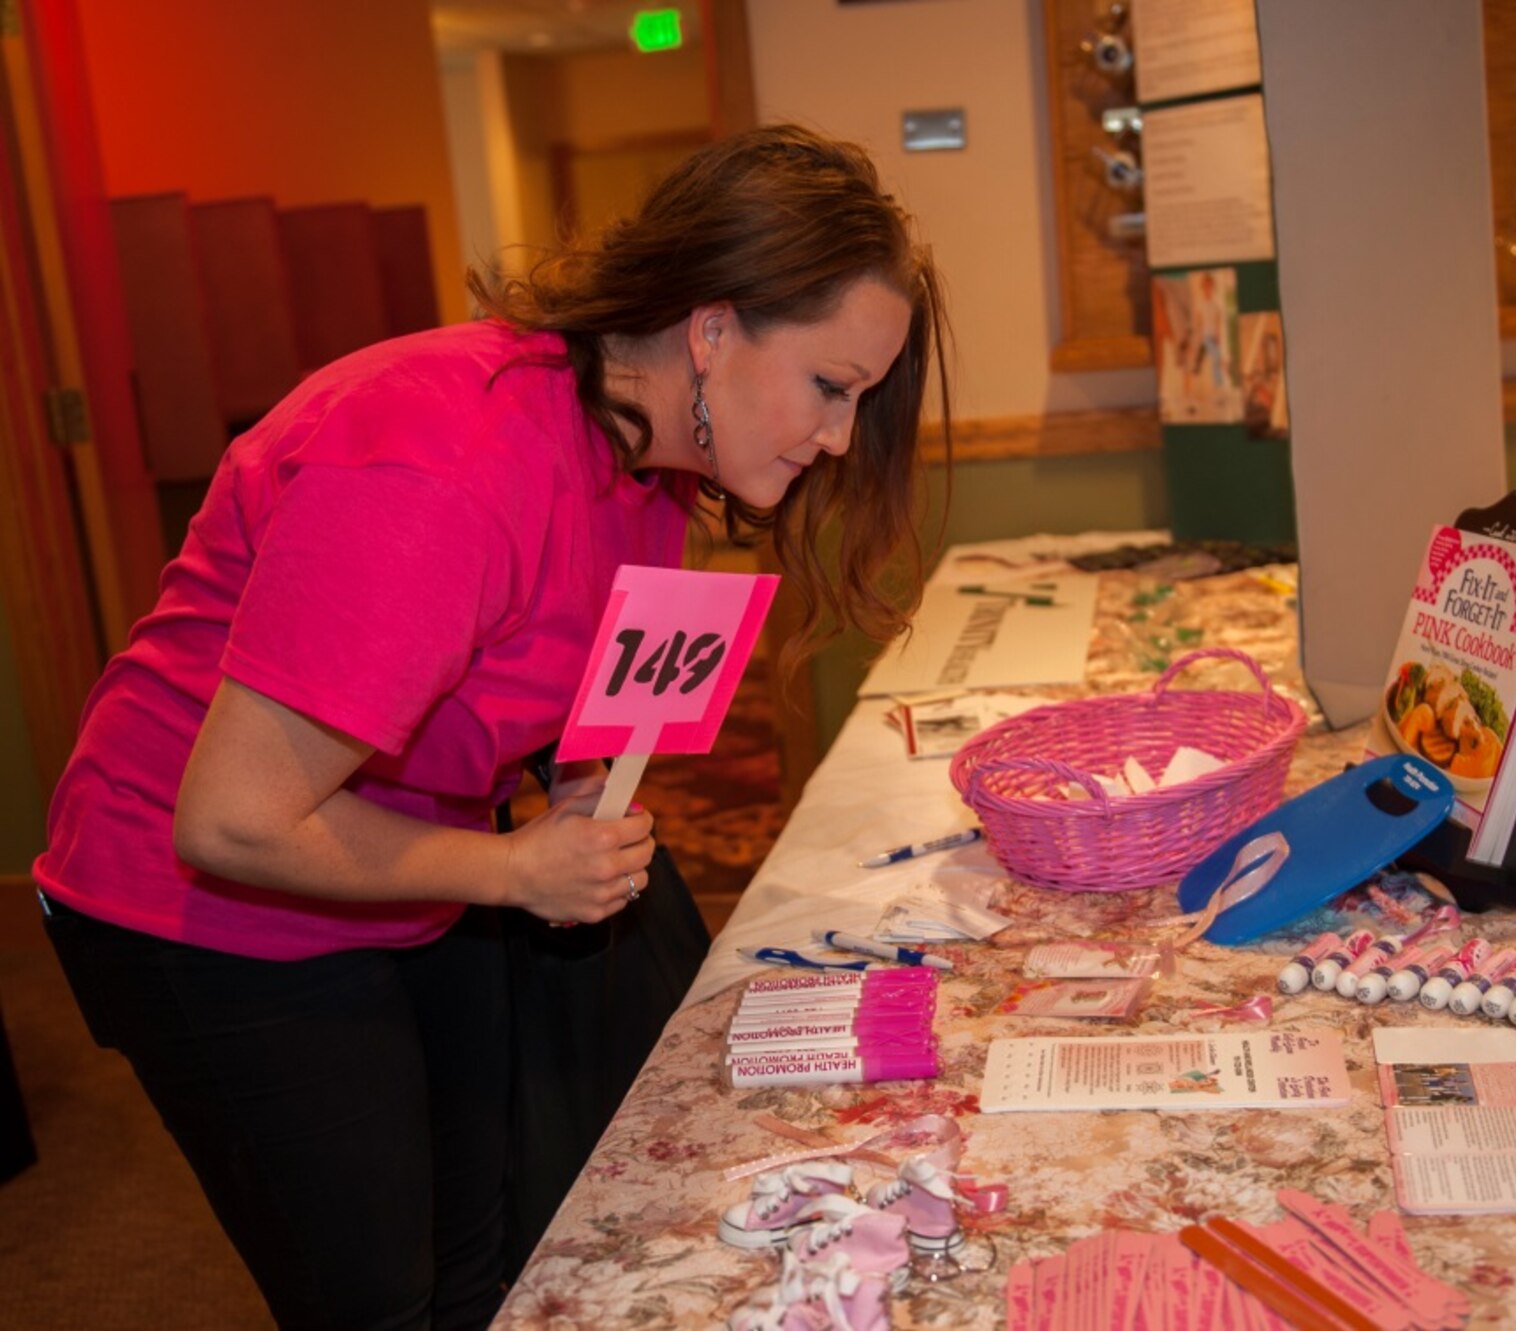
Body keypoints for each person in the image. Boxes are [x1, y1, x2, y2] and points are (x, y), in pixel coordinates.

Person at [32, 124, 951, 1330]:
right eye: (830, 386)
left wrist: (573, 800)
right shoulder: (445, 462)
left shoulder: (655, 460)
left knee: (491, 1249)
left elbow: (555, 686)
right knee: (370, 1290)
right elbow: (232, 818)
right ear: (711, 327)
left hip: (413, 861)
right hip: (203, 900)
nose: (837, 436)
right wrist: (515, 866)